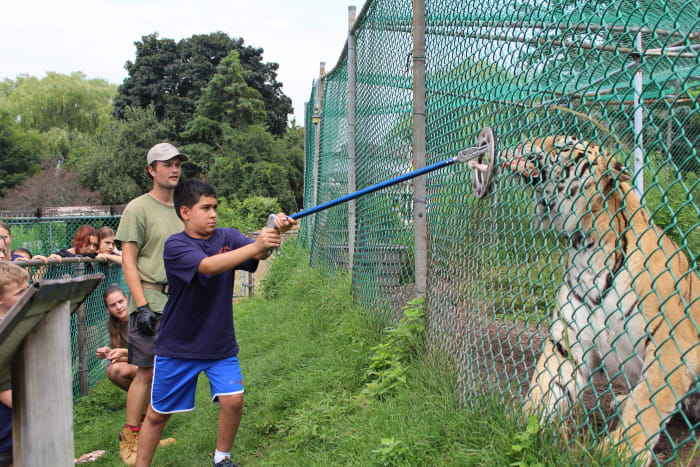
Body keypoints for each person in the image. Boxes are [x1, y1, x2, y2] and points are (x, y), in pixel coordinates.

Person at [135, 179, 296, 467]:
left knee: (233, 400)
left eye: (215, 208)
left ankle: (222, 459)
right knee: (158, 414)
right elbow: (208, 267)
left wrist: (273, 232)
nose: (213, 214)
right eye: (205, 208)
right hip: (178, 346)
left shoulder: (229, 237)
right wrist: (257, 244)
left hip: (219, 343)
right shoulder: (176, 245)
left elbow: (257, 252)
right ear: (185, 212)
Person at [114, 142, 187, 465]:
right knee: (146, 371)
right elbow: (128, 261)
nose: (173, 169)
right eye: (166, 164)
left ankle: (149, 432)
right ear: (151, 170)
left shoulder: (183, 207)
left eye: (177, 164)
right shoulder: (137, 209)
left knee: (168, 373)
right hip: (149, 300)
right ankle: (129, 435)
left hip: (178, 302)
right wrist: (141, 306)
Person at [0, 262, 31, 467]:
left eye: (28, 288)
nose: (27, 295)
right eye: (20, 293)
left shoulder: (17, 321)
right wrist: (33, 407)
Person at [96, 286, 137, 391]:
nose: (118, 307)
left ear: (127, 299)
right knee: (112, 370)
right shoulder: (114, 324)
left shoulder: (140, 317)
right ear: (107, 308)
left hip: (157, 362)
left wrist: (123, 352)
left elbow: (149, 353)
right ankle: (143, 399)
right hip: (139, 362)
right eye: (113, 305)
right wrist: (110, 354)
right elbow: (130, 358)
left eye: (121, 301)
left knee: (135, 368)